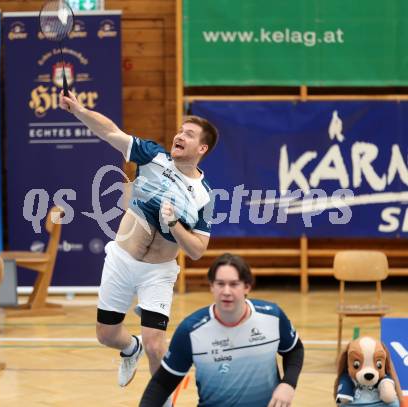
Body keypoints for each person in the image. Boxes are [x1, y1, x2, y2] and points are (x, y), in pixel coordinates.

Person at [59, 92, 219, 394]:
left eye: (189, 134)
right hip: (122, 259)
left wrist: (175, 225)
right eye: (180, 130)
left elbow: (197, 251)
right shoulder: (153, 156)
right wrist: (79, 111)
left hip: (158, 272)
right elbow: (110, 132)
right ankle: (130, 348)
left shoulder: (204, 196)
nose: (179, 136)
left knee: (156, 345)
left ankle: (163, 400)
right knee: (106, 335)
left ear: (202, 148)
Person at [140, 253, 305, 407]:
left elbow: (295, 350)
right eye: (220, 284)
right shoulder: (191, 330)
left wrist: (288, 383)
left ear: (247, 287)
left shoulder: (273, 316)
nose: (226, 291)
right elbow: (161, 384)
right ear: (212, 286)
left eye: (234, 284)